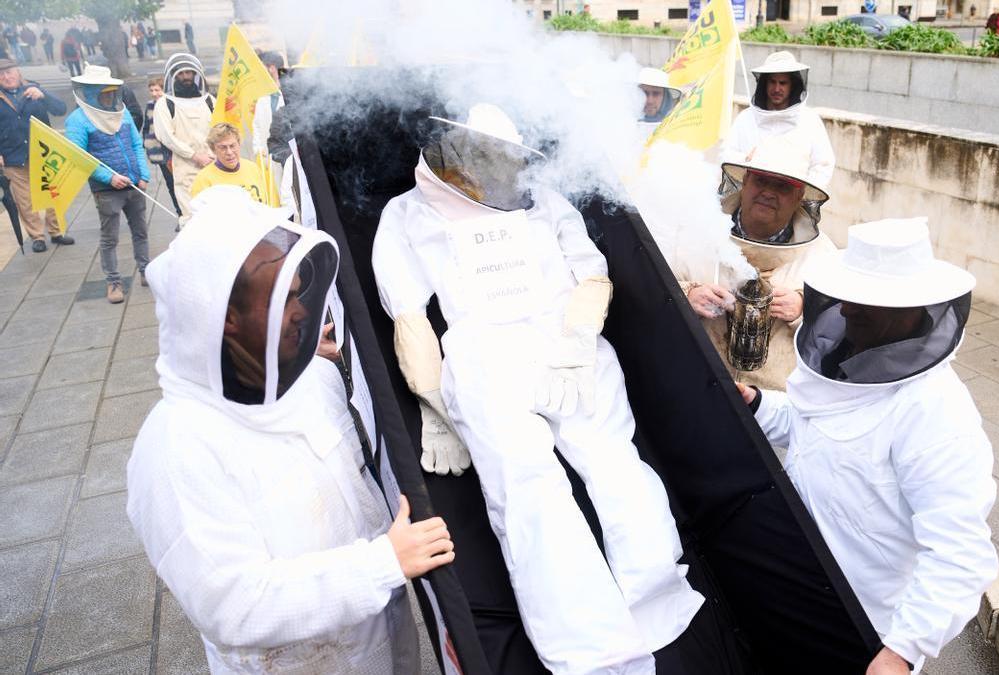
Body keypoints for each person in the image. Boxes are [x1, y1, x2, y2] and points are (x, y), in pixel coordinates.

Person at [372, 103, 704, 674]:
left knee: (613, 463)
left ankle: (655, 601)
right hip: (485, 361)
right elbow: (410, 316)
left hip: (569, 348)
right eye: (485, 154)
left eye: (505, 156)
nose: (496, 167)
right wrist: (434, 407)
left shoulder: (545, 201)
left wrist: (576, 345)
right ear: (455, 149)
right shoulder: (407, 215)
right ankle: (592, 651)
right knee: (530, 490)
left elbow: (591, 273)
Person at [127, 187, 450, 674]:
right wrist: (382, 564)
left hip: (384, 648)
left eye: (299, 292)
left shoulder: (313, 379)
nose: (300, 309)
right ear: (224, 318)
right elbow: (233, 606)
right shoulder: (175, 450)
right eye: (279, 299)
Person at [738, 217, 998, 674]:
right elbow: (810, 426)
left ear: (911, 310)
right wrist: (758, 404)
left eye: (868, 303)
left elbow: (960, 552)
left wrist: (903, 651)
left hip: (865, 626)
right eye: (846, 297)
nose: (848, 311)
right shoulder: (843, 356)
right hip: (797, 579)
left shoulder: (936, 411)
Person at [680, 143, 837, 391]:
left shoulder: (822, 255)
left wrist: (804, 307)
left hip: (774, 407)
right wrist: (687, 294)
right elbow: (652, 287)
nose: (768, 192)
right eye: (761, 181)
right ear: (745, 182)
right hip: (697, 387)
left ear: (799, 197)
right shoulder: (697, 232)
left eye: (783, 186)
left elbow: (841, 327)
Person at [64, 65, 152, 303]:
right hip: (107, 191)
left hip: (134, 184)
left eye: (112, 91)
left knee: (140, 231)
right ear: (91, 92)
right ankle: (113, 282)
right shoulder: (78, 120)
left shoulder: (121, 113)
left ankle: (147, 271)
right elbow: (77, 157)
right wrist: (108, 177)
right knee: (109, 238)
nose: (110, 95)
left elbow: (136, 144)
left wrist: (143, 175)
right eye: (105, 92)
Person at [724, 51, 835, 188]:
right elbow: (727, 156)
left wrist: (803, 195)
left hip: (792, 202)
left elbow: (823, 165)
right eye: (772, 82)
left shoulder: (810, 121)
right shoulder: (745, 119)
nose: (777, 88)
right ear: (764, 83)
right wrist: (745, 160)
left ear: (792, 85)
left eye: (783, 83)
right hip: (751, 201)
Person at [0, 58, 72, 253]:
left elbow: (60, 109)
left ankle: (56, 232)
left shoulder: (34, 89)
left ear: (18, 73)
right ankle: (37, 236)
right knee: (24, 201)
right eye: (2, 74)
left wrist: (44, 96)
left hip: (42, 152)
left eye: (10, 72)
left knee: (52, 194)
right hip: (13, 156)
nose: (6, 77)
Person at [154, 52, 216, 228]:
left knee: (216, 214)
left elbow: (220, 127)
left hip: (213, 165)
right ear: (173, 76)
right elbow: (166, 137)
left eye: (189, 73)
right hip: (185, 168)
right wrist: (195, 155)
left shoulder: (209, 100)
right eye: (180, 73)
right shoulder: (165, 104)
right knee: (192, 218)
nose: (185, 77)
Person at [191, 123, 268, 204]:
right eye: (223, 147)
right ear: (213, 149)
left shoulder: (253, 168)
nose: (229, 152)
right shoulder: (204, 180)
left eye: (232, 146)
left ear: (239, 144)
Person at [142, 76, 182, 216]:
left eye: (157, 90)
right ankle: (180, 213)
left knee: (181, 183)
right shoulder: (150, 105)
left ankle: (186, 211)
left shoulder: (171, 105)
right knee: (171, 185)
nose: (154, 93)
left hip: (174, 152)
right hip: (159, 152)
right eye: (151, 90)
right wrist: (147, 144)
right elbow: (147, 127)